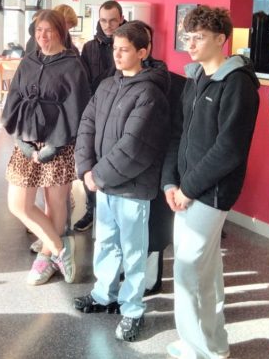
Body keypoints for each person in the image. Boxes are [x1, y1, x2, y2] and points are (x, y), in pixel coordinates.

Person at [162, 5, 260, 359]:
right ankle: (214, 344)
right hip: (185, 190)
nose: (190, 44)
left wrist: (188, 189)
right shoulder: (195, 78)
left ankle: (199, 348)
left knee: (188, 272)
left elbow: (229, 148)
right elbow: (178, 134)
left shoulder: (238, 84)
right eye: (188, 36)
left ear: (221, 39)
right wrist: (170, 182)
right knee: (205, 271)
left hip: (211, 192)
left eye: (199, 37)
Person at [73, 22, 170, 342]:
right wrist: (86, 168)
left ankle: (132, 309)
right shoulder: (107, 85)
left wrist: (97, 176)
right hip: (103, 183)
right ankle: (104, 294)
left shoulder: (150, 93)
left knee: (133, 251)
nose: (116, 55)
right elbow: (86, 125)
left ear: (143, 52)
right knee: (106, 242)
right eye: (115, 49)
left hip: (132, 188)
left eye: (124, 50)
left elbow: (135, 146)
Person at [2, 9, 90, 285]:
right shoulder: (28, 61)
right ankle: (61, 248)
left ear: (60, 32)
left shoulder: (73, 65)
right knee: (18, 204)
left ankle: (46, 258)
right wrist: (21, 140)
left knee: (55, 204)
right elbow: (13, 100)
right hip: (26, 143)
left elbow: (77, 109)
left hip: (58, 145)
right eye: (39, 30)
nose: (43, 35)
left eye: (49, 30)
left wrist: (54, 145)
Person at [131, 20, 185, 297]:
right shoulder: (114, 81)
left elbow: (177, 131)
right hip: (125, 167)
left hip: (158, 163)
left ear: (147, 47)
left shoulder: (176, 84)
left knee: (154, 225)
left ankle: (150, 279)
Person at [74, 0, 126, 232]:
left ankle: (113, 211)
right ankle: (91, 210)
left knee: (114, 159)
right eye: (103, 20)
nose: (108, 25)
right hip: (95, 108)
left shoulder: (128, 43)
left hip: (121, 109)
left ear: (121, 19)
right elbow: (84, 81)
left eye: (112, 20)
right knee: (90, 159)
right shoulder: (89, 47)